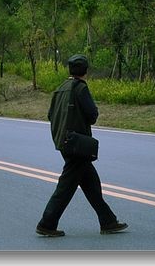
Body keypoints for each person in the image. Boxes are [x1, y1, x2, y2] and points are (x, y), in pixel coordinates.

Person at [36, 54, 129, 237]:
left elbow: (50, 115)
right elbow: (92, 114)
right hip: (77, 145)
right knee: (66, 187)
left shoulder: (60, 88)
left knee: (91, 183)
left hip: (64, 142)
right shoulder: (80, 88)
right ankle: (47, 223)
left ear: (70, 69)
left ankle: (108, 221)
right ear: (86, 70)